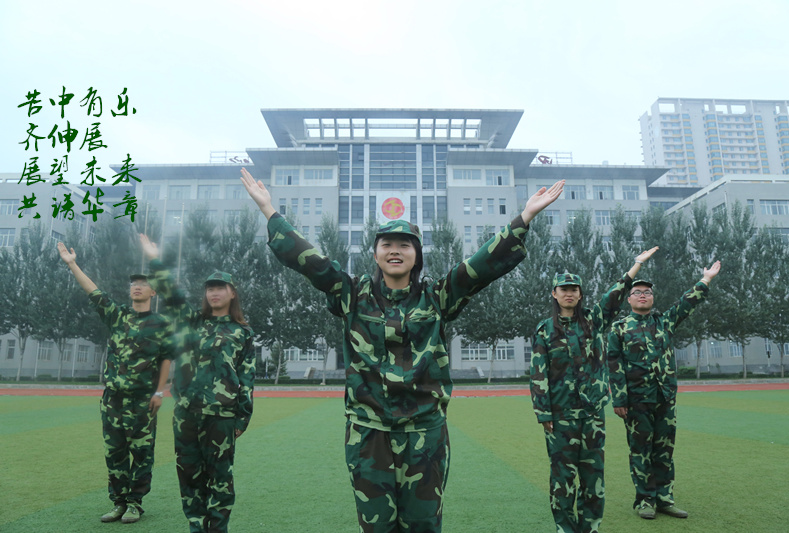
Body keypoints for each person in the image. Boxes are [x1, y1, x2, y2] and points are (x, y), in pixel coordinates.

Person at [240, 166, 564, 533]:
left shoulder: (437, 296)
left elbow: (480, 266)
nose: (395, 250)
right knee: (376, 527)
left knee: (423, 525)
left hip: (425, 433)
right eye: (387, 245)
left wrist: (525, 216)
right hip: (368, 433)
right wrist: (269, 210)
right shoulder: (351, 294)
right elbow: (311, 261)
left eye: (405, 245)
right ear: (376, 254)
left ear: (417, 255)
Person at [529, 248, 658, 533]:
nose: (569, 293)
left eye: (574, 289)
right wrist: (543, 413)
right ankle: (565, 528)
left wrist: (636, 265)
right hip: (560, 416)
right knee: (562, 478)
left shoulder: (594, 320)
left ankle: (590, 527)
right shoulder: (545, 330)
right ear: (554, 294)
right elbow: (538, 374)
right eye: (564, 289)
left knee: (593, 477)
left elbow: (614, 294)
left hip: (592, 415)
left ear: (580, 294)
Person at [139, 235, 255, 533]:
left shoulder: (242, 333)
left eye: (220, 287)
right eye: (209, 288)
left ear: (232, 293)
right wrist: (154, 259)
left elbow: (247, 377)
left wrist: (242, 417)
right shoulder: (192, 321)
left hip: (222, 416)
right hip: (187, 414)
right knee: (189, 475)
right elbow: (172, 294)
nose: (214, 292)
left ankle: (217, 529)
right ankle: (196, 526)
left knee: (220, 477)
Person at [57, 242, 173, 524]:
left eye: (143, 284)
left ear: (153, 292)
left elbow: (166, 360)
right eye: (134, 284)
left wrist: (159, 392)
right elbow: (93, 291)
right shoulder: (117, 314)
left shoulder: (161, 324)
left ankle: (135, 503)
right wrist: (72, 264)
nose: (137, 287)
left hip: (142, 400)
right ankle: (118, 502)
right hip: (113, 399)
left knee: (142, 453)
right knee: (114, 452)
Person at [607, 261, 721, 520]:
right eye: (637, 292)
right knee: (641, 451)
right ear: (629, 299)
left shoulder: (665, 321)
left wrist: (706, 280)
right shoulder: (619, 328)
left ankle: (665, 499)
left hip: (665, 398)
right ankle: (645, 500)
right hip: (636, 401)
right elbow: (614, 365)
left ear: (652, 298)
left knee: (665, 452)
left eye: (647, 292)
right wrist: (619, 399)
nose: (643, 295)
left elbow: (686, 304)